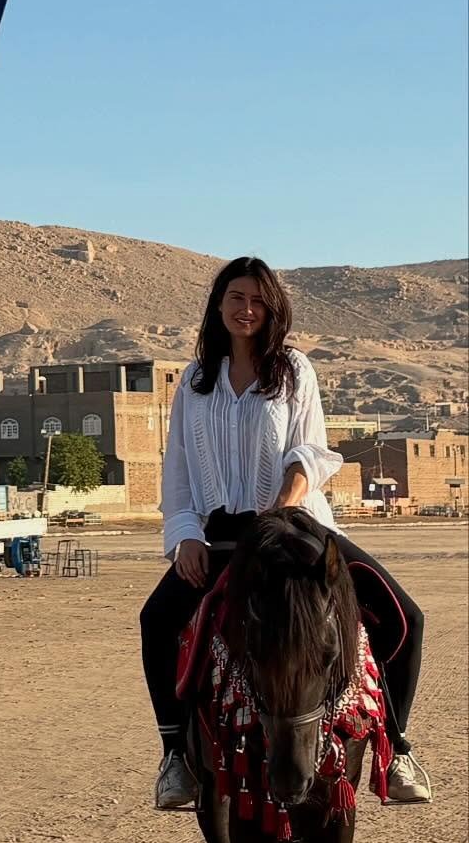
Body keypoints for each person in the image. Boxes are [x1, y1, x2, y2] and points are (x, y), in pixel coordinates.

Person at [141, 257, 432, 810]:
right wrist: (184, 536)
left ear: (272, 308)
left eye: (257, 300)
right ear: (218, 305)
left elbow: (313, 450)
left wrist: (286, 504)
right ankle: (176, 756)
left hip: (294, 528)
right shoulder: (195, 381)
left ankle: (396, 748)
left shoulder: (294, 370)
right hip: (218, 537)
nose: (246, 309)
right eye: (236, 298)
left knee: (405, 616)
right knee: (156, 619)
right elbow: (176, 468)